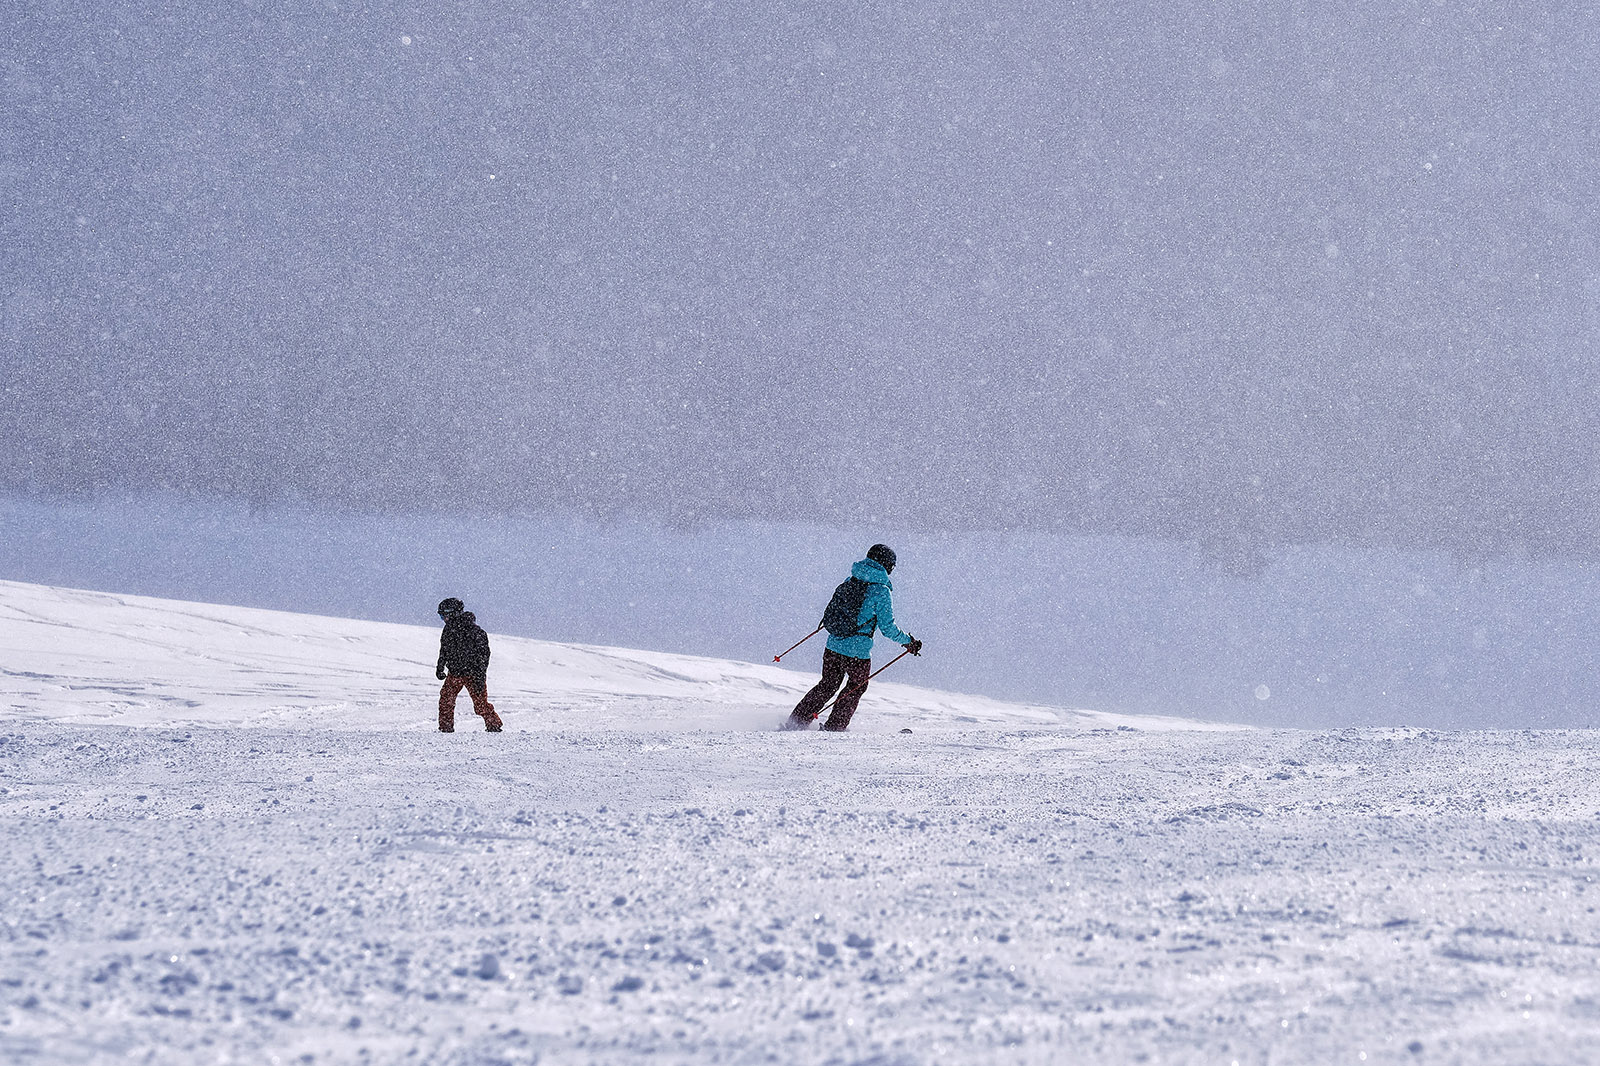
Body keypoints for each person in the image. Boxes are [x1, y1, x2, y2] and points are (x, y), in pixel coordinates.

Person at [785, 544, 923, 732]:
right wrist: (908, 641)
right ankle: (834, 727)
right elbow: (887, 628)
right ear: (887, 565)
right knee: (856, 687)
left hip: (833, 645)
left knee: (827, 685)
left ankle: (795, 722)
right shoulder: (881, 591)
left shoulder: (851, 579)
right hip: (858, 652)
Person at [435, 598, 503, 733]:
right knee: (446, 700)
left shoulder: (475, 631)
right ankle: (445, 729)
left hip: (473, 675)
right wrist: (440, 667)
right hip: (454, 673)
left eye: (444, 615)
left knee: (480, 705)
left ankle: (494, 726)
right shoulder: (448, 630)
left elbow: (484, 655)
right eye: (441, 616)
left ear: (453, 613)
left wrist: (480, 674)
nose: (443, 619)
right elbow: (444, 649)